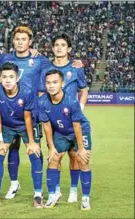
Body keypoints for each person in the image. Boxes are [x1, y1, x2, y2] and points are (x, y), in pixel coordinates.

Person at [0, 26, 84, 200]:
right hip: (10, 112)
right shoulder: (5, 58)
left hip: (34, 113)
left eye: (24, 39)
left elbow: (64, 66)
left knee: (40, 150)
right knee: (12, 148)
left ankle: (45, 190)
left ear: (30, 42)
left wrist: (79, 63)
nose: (20, 42)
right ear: (13, 41)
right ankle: (14, 184)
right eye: (17, 39)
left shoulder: (41, 60)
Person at [39, 33, 88, 203]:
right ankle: (56, 191)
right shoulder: (46, 69)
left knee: (74, 155)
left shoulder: (76, 67)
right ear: (52, 48)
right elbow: (40, 92)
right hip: (54, 121)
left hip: (72, 118)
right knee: (54, 155)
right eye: (56, 45)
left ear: (69, 49)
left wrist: (80, 109)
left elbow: (84, 89)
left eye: (63, 45)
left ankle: (74, 190)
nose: (59, 48)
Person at [0, 62, 43, 208]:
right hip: (7, 125)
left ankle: (38, 195)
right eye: (4, 77)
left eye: (11, 77)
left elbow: (27, 118)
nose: (7, 80)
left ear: (17, 78)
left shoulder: (27, 92)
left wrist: (31, 141)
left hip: (26, 125)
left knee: (34, 152)